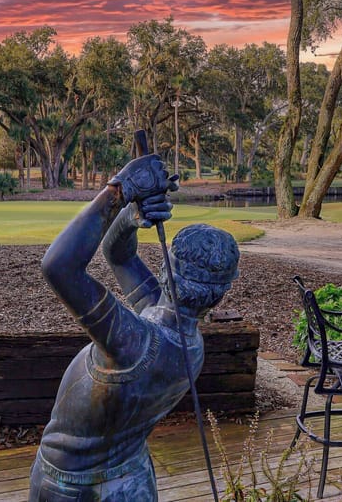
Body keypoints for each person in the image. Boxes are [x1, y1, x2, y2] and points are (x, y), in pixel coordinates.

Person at [29, 154, 240, 501]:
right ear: (219, 294)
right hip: (131, 474)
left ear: (165, 272)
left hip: (74, 485)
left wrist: (119, 190)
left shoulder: (135, 344)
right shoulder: (185, 341)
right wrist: (131, 217)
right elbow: (119, 256)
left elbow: (59, 267)